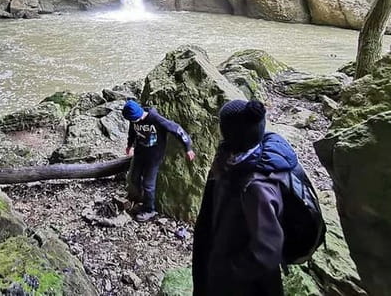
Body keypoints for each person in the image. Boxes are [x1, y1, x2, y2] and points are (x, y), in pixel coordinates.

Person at [192, 99, 297, 296]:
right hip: (223, 250)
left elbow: (267, 251)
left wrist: (227, 270)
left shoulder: (256, 188)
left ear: (230, 133)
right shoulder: (233, 159)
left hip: (242, 285)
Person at [123, 99, 195, 222]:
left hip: (154, 156)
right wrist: (130, 145)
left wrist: (188, 148)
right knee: (134, 177)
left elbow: (176, 129)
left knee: (148, 184)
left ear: (138, 114)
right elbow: (132, 131)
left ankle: (150, 210)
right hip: (140, 153)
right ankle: (142, 201)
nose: (132, 122)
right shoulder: (133, 120)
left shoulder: (155, 119)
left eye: (133, 119)